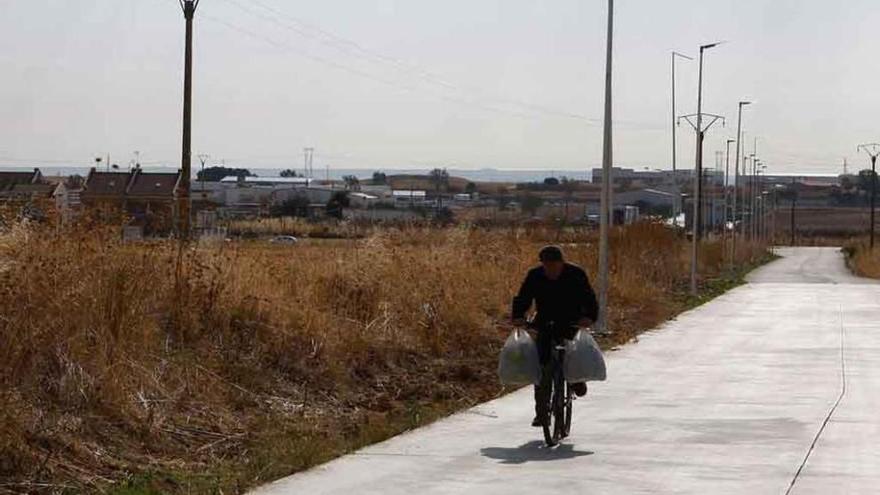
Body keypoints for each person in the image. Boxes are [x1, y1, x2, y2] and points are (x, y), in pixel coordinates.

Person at [511, 245, 599, 427]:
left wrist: (589, 317)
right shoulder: (535, 275)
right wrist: (518, 316)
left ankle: (576, 379)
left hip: (571, 320)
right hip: (545, 320)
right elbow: (523, 297)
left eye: (554, 265)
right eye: (546, 265)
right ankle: (541, 412)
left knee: (573, 355)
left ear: (562, 263)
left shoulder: (575, 274)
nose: (550, 269)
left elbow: (589, 298)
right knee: (541, 367)